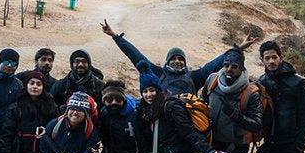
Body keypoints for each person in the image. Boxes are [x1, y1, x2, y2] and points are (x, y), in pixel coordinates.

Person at [100, 19, 259, 95]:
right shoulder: (158, 73)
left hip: (186, 128)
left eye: (180, 59)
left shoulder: (195, 77)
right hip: (164, 124)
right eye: (173, 59)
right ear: (167, 61)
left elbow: (218, 62)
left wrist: (238, 48)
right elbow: (135, 56)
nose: (177, 61)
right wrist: (116, 36)